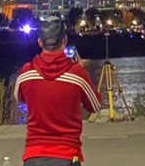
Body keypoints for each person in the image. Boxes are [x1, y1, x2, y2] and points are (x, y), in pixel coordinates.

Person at [14, 18, 102, 165]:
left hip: (33, 154)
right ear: (64, 41)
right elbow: (95, 105)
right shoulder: (76, 74)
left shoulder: (26, 72)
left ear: (40, 42)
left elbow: (19, 97)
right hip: (67, 154)